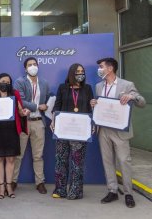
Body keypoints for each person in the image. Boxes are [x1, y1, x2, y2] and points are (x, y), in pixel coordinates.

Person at [90, 57, 146, 208]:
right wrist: (93, 104)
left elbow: (142, 102)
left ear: (110, 68)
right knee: (107, 162)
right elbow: (100, 106)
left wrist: (132, 96)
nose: (99, 69)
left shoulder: (127, 85)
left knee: (124, 162)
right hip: (104, 130)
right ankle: (112, 190)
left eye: (101, 66)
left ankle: (128, 193)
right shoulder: (98, 86)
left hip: (121, 131)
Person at [51, 63, 94, 200]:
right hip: (63, 131)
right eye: (78, 71)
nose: (80, 73)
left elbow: (90, 109)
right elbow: (57, 106)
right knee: (61, 161)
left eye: (82, 71)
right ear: (71, 73)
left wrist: (92, 123)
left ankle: (76, 191)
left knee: (77, 162)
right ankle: (60, 189)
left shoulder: (87, 88)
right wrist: (53, 121)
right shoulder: (63, 88)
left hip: (80, 132)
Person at [0, 73, 29, 199]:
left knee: (10, 159)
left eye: (8, 82)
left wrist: (23, 112)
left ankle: (9, 185)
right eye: (3, 81)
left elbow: (20, 111)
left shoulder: (15, 93)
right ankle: (1, 186)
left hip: (11, 130)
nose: (6, 83)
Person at [12, 57, 50, 194]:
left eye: (35, 64)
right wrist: (38, 106)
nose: (33, 66)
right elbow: (20, 99)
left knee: (38, 155)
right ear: (25, 68)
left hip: (39, 122)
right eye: (30, 65)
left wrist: (47, 106)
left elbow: (49, 99)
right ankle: (13, 181)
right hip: (24, 122)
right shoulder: (20, 81)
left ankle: (40, 182)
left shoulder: (44, 83)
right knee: (18, 155)